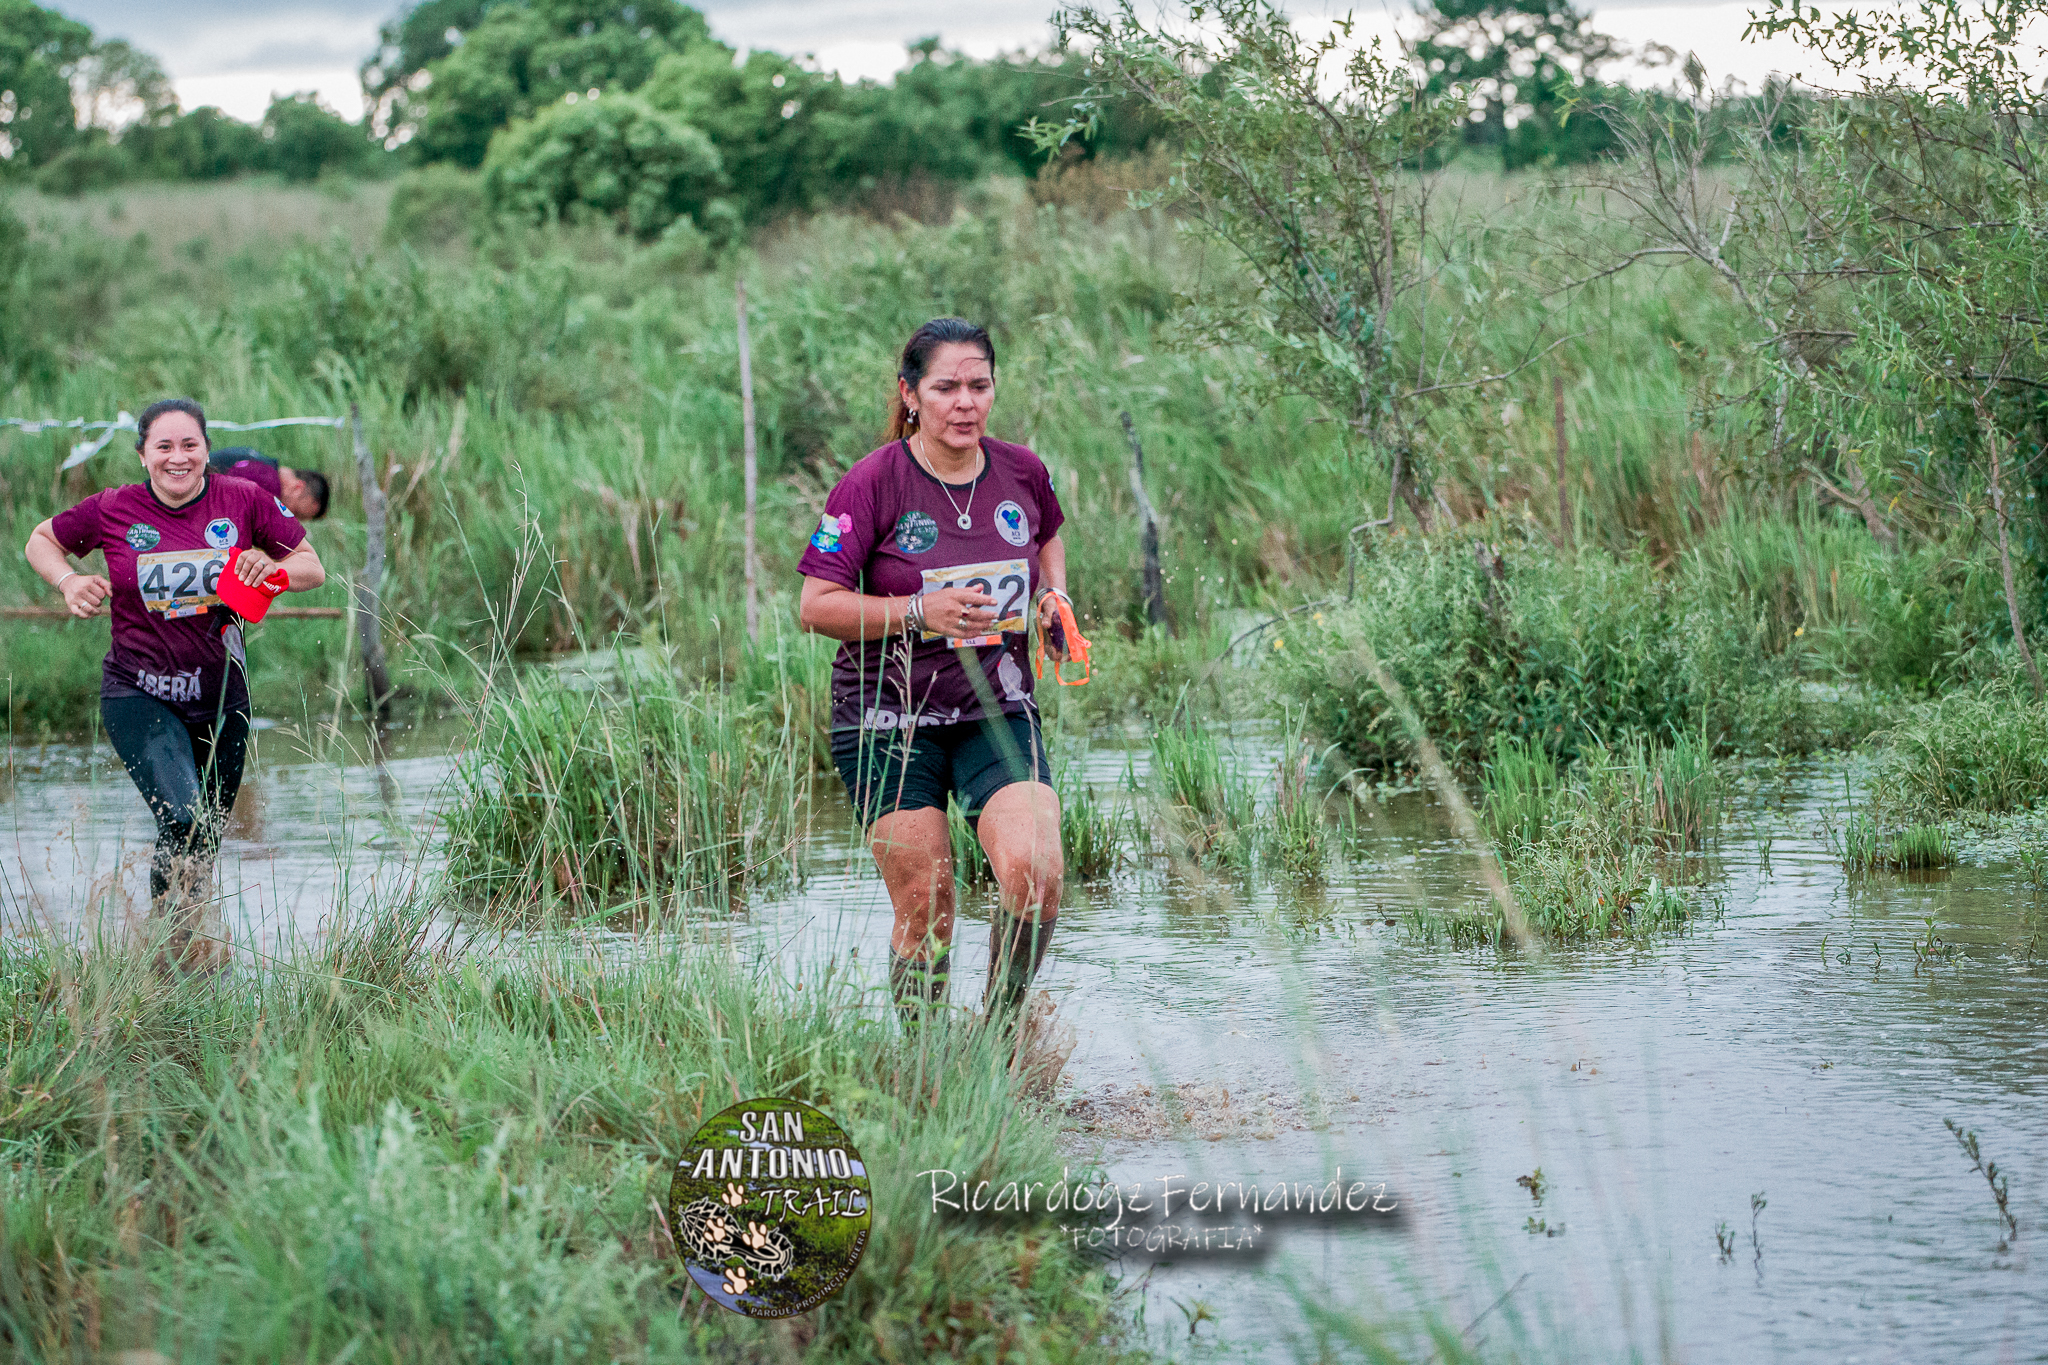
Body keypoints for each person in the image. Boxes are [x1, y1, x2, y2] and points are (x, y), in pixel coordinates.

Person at [797, 317, 1074, 1031]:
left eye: (979, 385)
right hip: (888, 718)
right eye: (946, 386)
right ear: (911, 394)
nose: (965, 402)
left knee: (1036, 874)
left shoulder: (1022, 470)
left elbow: (1045, 535)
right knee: (928, 905)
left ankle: (1000, 1036)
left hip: (996, 708)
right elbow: (816, 606)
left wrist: (1053, 595)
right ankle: (927, 1063)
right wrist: (918, 610)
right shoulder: (871, 483)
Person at [23, 398, 326, 969]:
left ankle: (187, 957)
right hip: (139, 692)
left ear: (207, 451)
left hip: (222, 699)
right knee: (183, 816)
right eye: (164, 446)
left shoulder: (244, 500)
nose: (178, 457)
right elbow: (42, 539)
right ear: (143, 455)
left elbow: (313, 566)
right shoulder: (114, 508)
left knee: (206, 835)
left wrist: (274, 572)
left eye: (189, 445)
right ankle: (165, 949)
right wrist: (66, 581)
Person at [208, 445, 330, 521]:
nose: (292, 518)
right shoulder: (269, 485)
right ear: (298, 487)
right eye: (296, 513)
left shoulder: (264, 465)